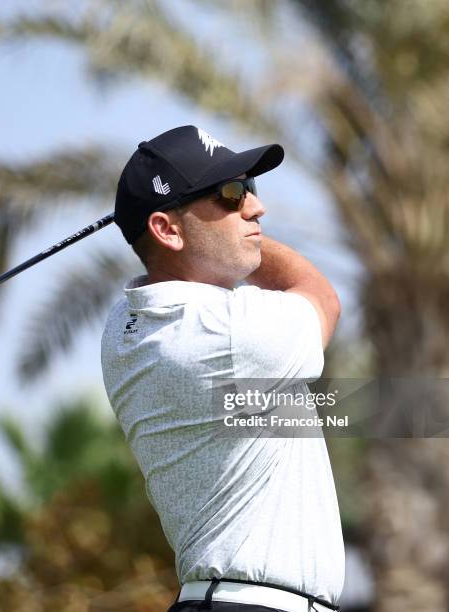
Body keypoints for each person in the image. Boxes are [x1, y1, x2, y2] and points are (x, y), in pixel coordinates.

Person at [101, 125, 345, 612]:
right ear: (166, 229)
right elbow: (322, 297)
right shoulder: (230, 335)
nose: (256, 208)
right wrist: (244, 245)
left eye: (249, 188)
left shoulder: (124, 328)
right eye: (230, 194)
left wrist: (219, 234)